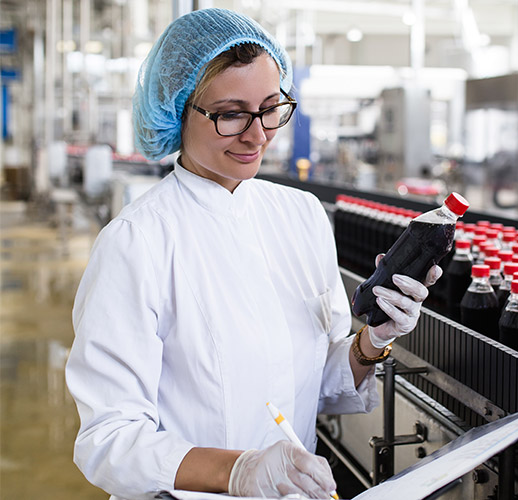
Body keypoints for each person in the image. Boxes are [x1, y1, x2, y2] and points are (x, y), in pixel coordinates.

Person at [65, 8, 441, 500]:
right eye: (231, 114)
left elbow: (313, 384)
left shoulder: (300, 216)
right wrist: (237, 471)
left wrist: (372, 341)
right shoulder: (137, 241)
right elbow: (107, 441)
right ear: (178, 110)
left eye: (270, 108)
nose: (258, 134)